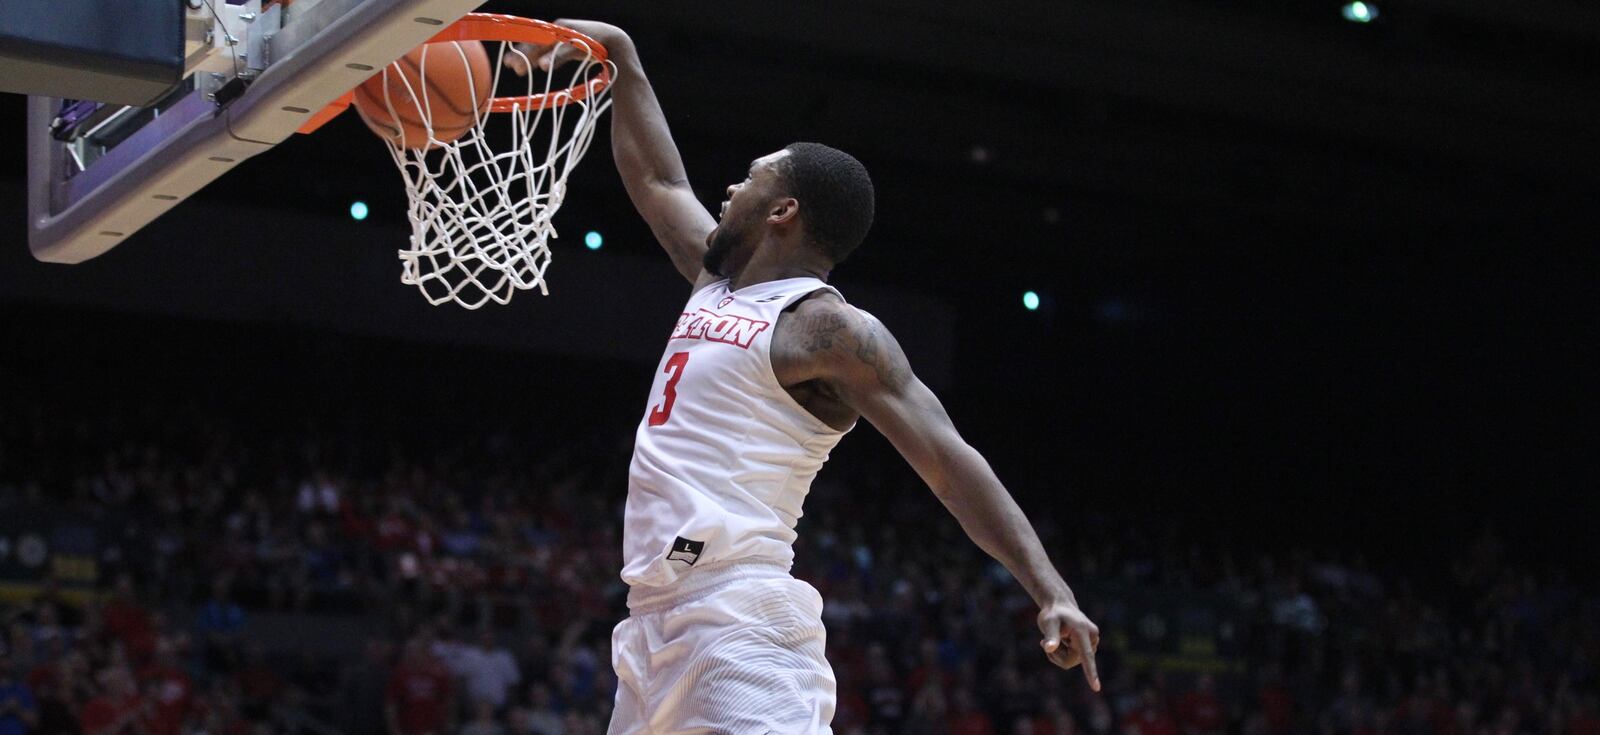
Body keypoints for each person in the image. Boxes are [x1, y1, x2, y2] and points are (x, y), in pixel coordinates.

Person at [510, 20, 1101, 734]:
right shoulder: (714, 279)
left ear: (783, 211)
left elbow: (949, 460)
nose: (729, 188)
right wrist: (623, 58)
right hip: (651, 629)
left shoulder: (827, 329)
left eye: (752, 178)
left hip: (740, 624)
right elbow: (659, 180)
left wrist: (1050, 588)